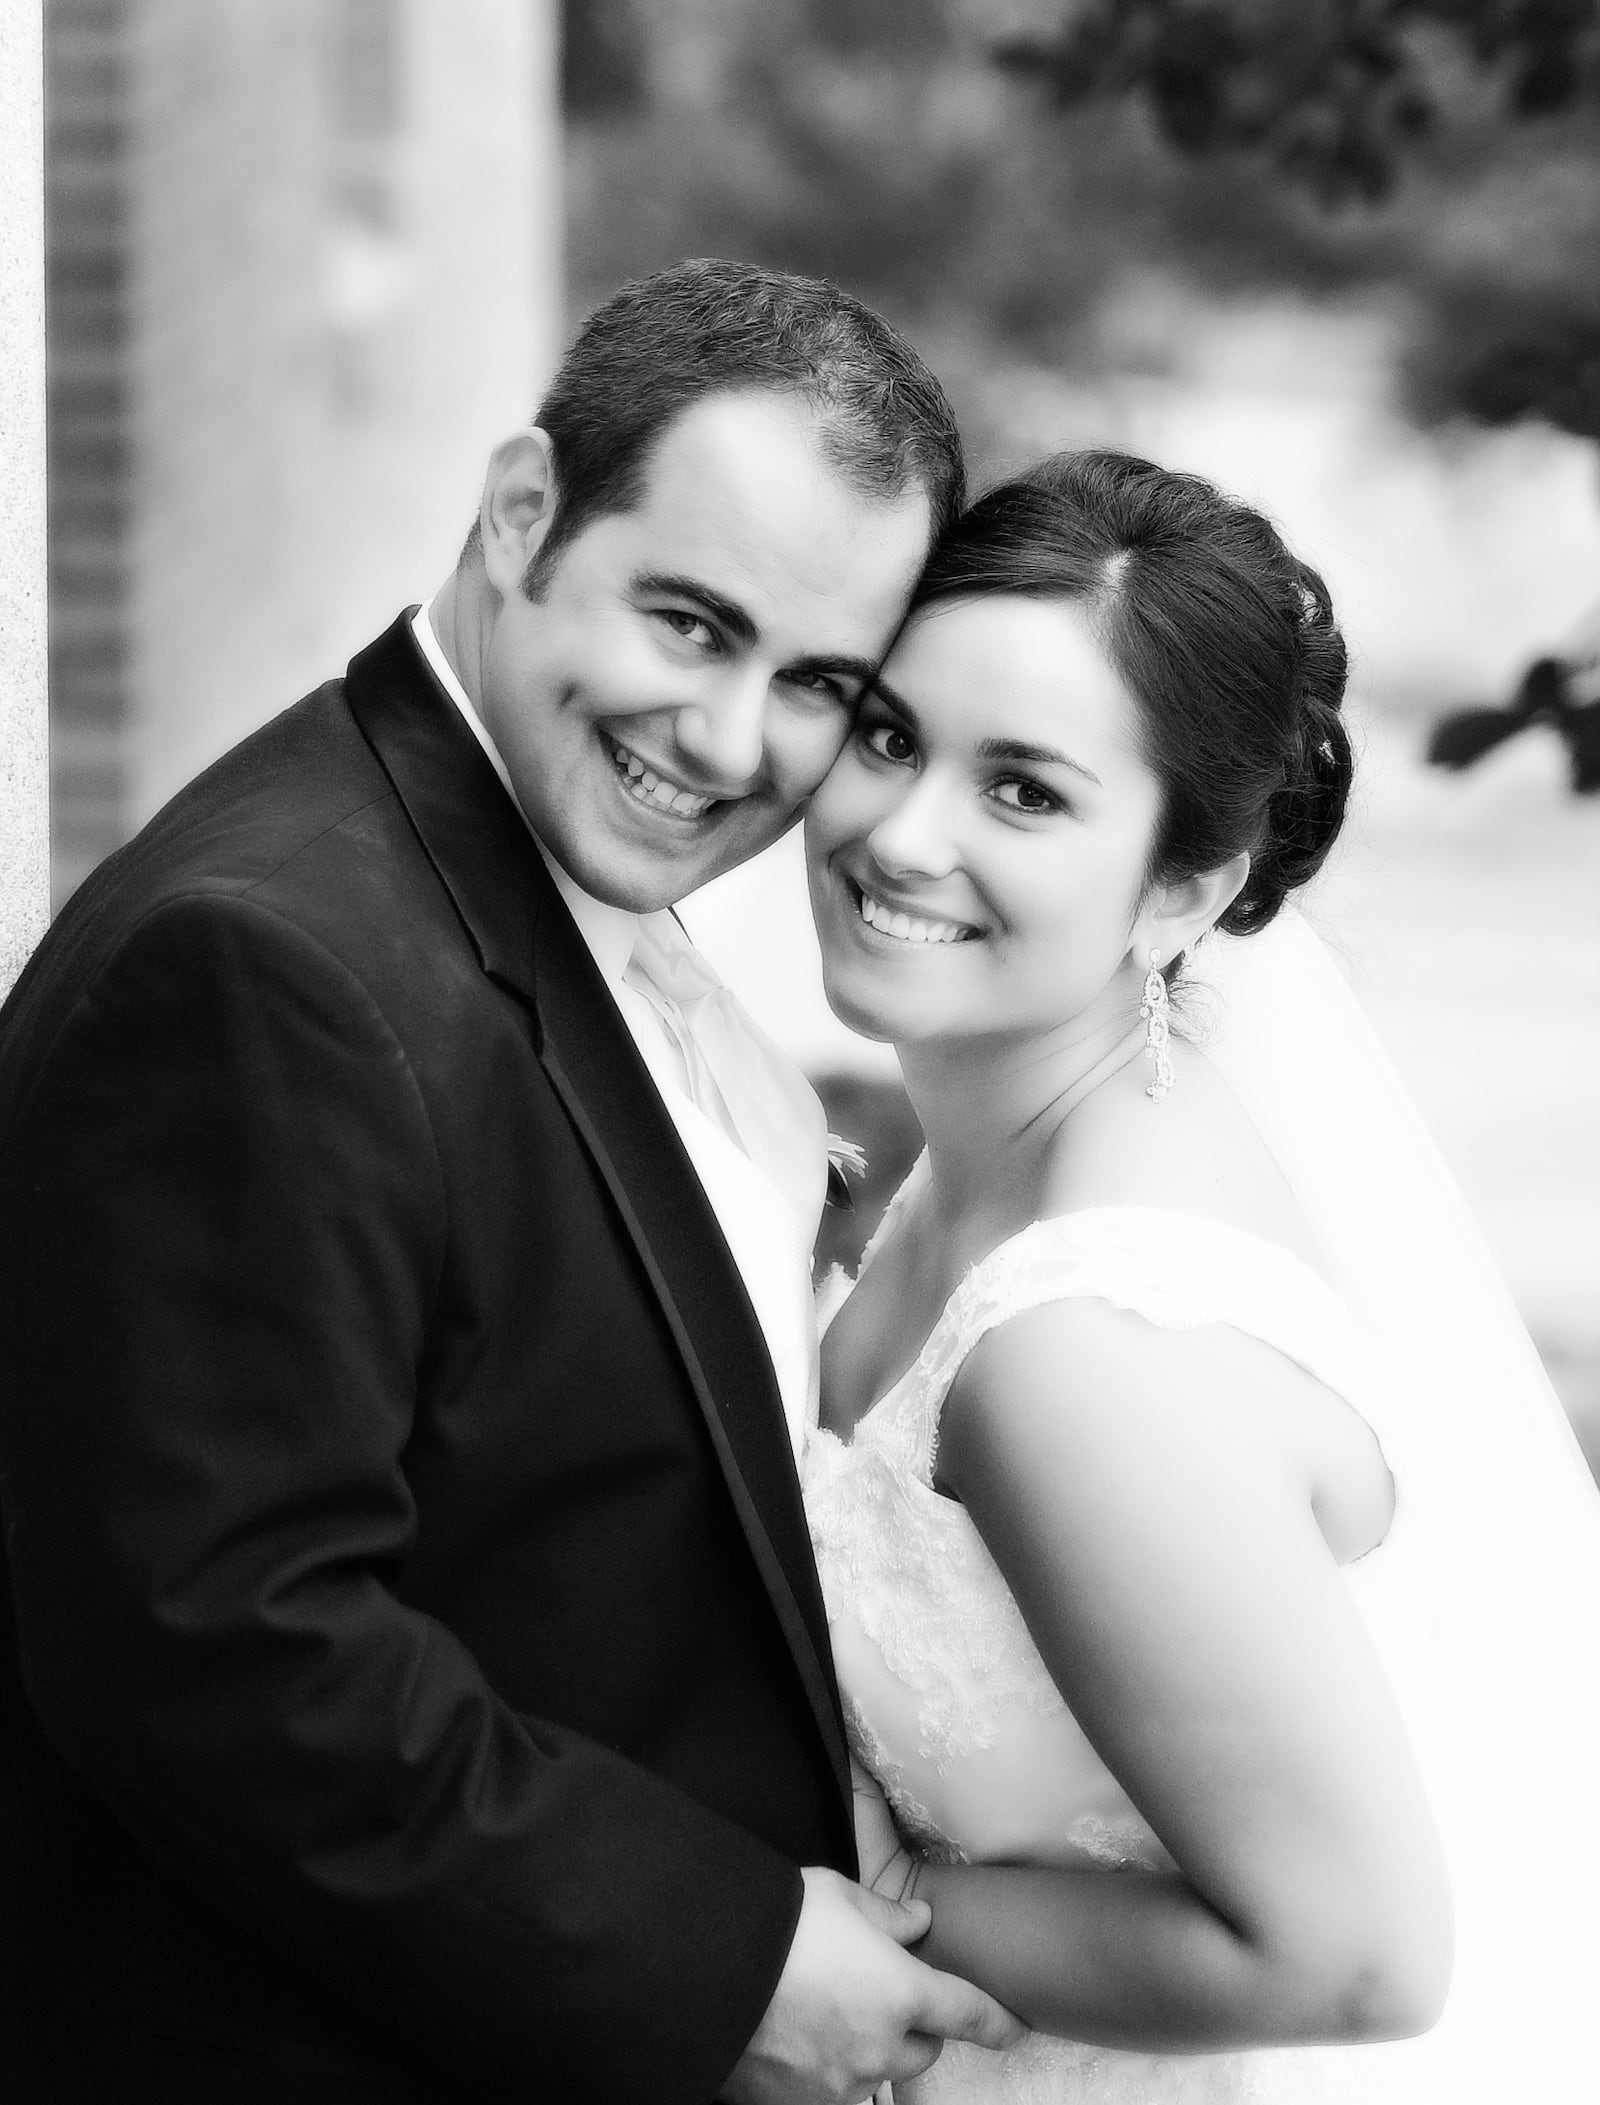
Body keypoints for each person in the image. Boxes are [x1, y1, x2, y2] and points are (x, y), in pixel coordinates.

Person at [0, 259, 1022, 2103]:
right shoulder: (267, 965)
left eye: (816, 683)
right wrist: (719, 1960)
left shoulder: (536, 877)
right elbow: (220, 1651)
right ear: (524, 509)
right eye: (691, 623)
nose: (724, 743)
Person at [799, 448, 1600, 2100]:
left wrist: (859, 1913)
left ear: (1187, 885)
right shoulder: (1018, 1138)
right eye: (889, 734)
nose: (900, 829)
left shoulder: (1089, 1354)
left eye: (1024, 789)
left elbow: (1358, 1956)